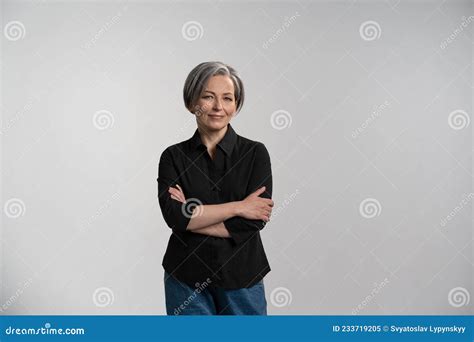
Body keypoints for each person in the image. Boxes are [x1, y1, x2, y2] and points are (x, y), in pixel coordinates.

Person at [157, 61, 274, 315]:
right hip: (185, 278)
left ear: (236, 105)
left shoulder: (255, 154)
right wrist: (240, 207)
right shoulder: (172, 157)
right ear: (192, 103)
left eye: (228, 98)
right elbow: (174, 216)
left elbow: (252, 223)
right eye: (208, 97)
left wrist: (192, 218)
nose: (219, 107)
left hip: (242, 277)